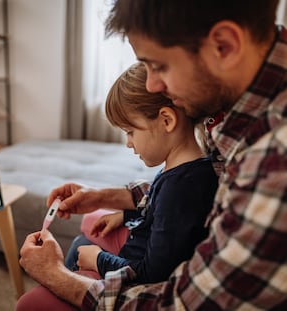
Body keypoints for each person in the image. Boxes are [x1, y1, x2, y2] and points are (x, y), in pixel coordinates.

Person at [18, 0, 287, 309]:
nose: (151, 84)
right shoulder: (231, 110)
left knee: (31, 303)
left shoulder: (274, 159)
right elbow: (188, 199)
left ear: (224, 46)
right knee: (88, 228)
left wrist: (57, 276)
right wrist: (103, 197)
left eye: (159, 66)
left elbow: (180, 303)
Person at [63, 62, 218, 285]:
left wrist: (99, 261)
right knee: (85, 233)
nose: (128, 143)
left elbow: (152, 273)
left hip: (136, 269)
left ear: (167, 120)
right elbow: (162, 216)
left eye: (130, 132)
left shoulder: (181, 187)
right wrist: (125, 216)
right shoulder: (184, 168)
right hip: (138, 243)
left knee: (33, 301)